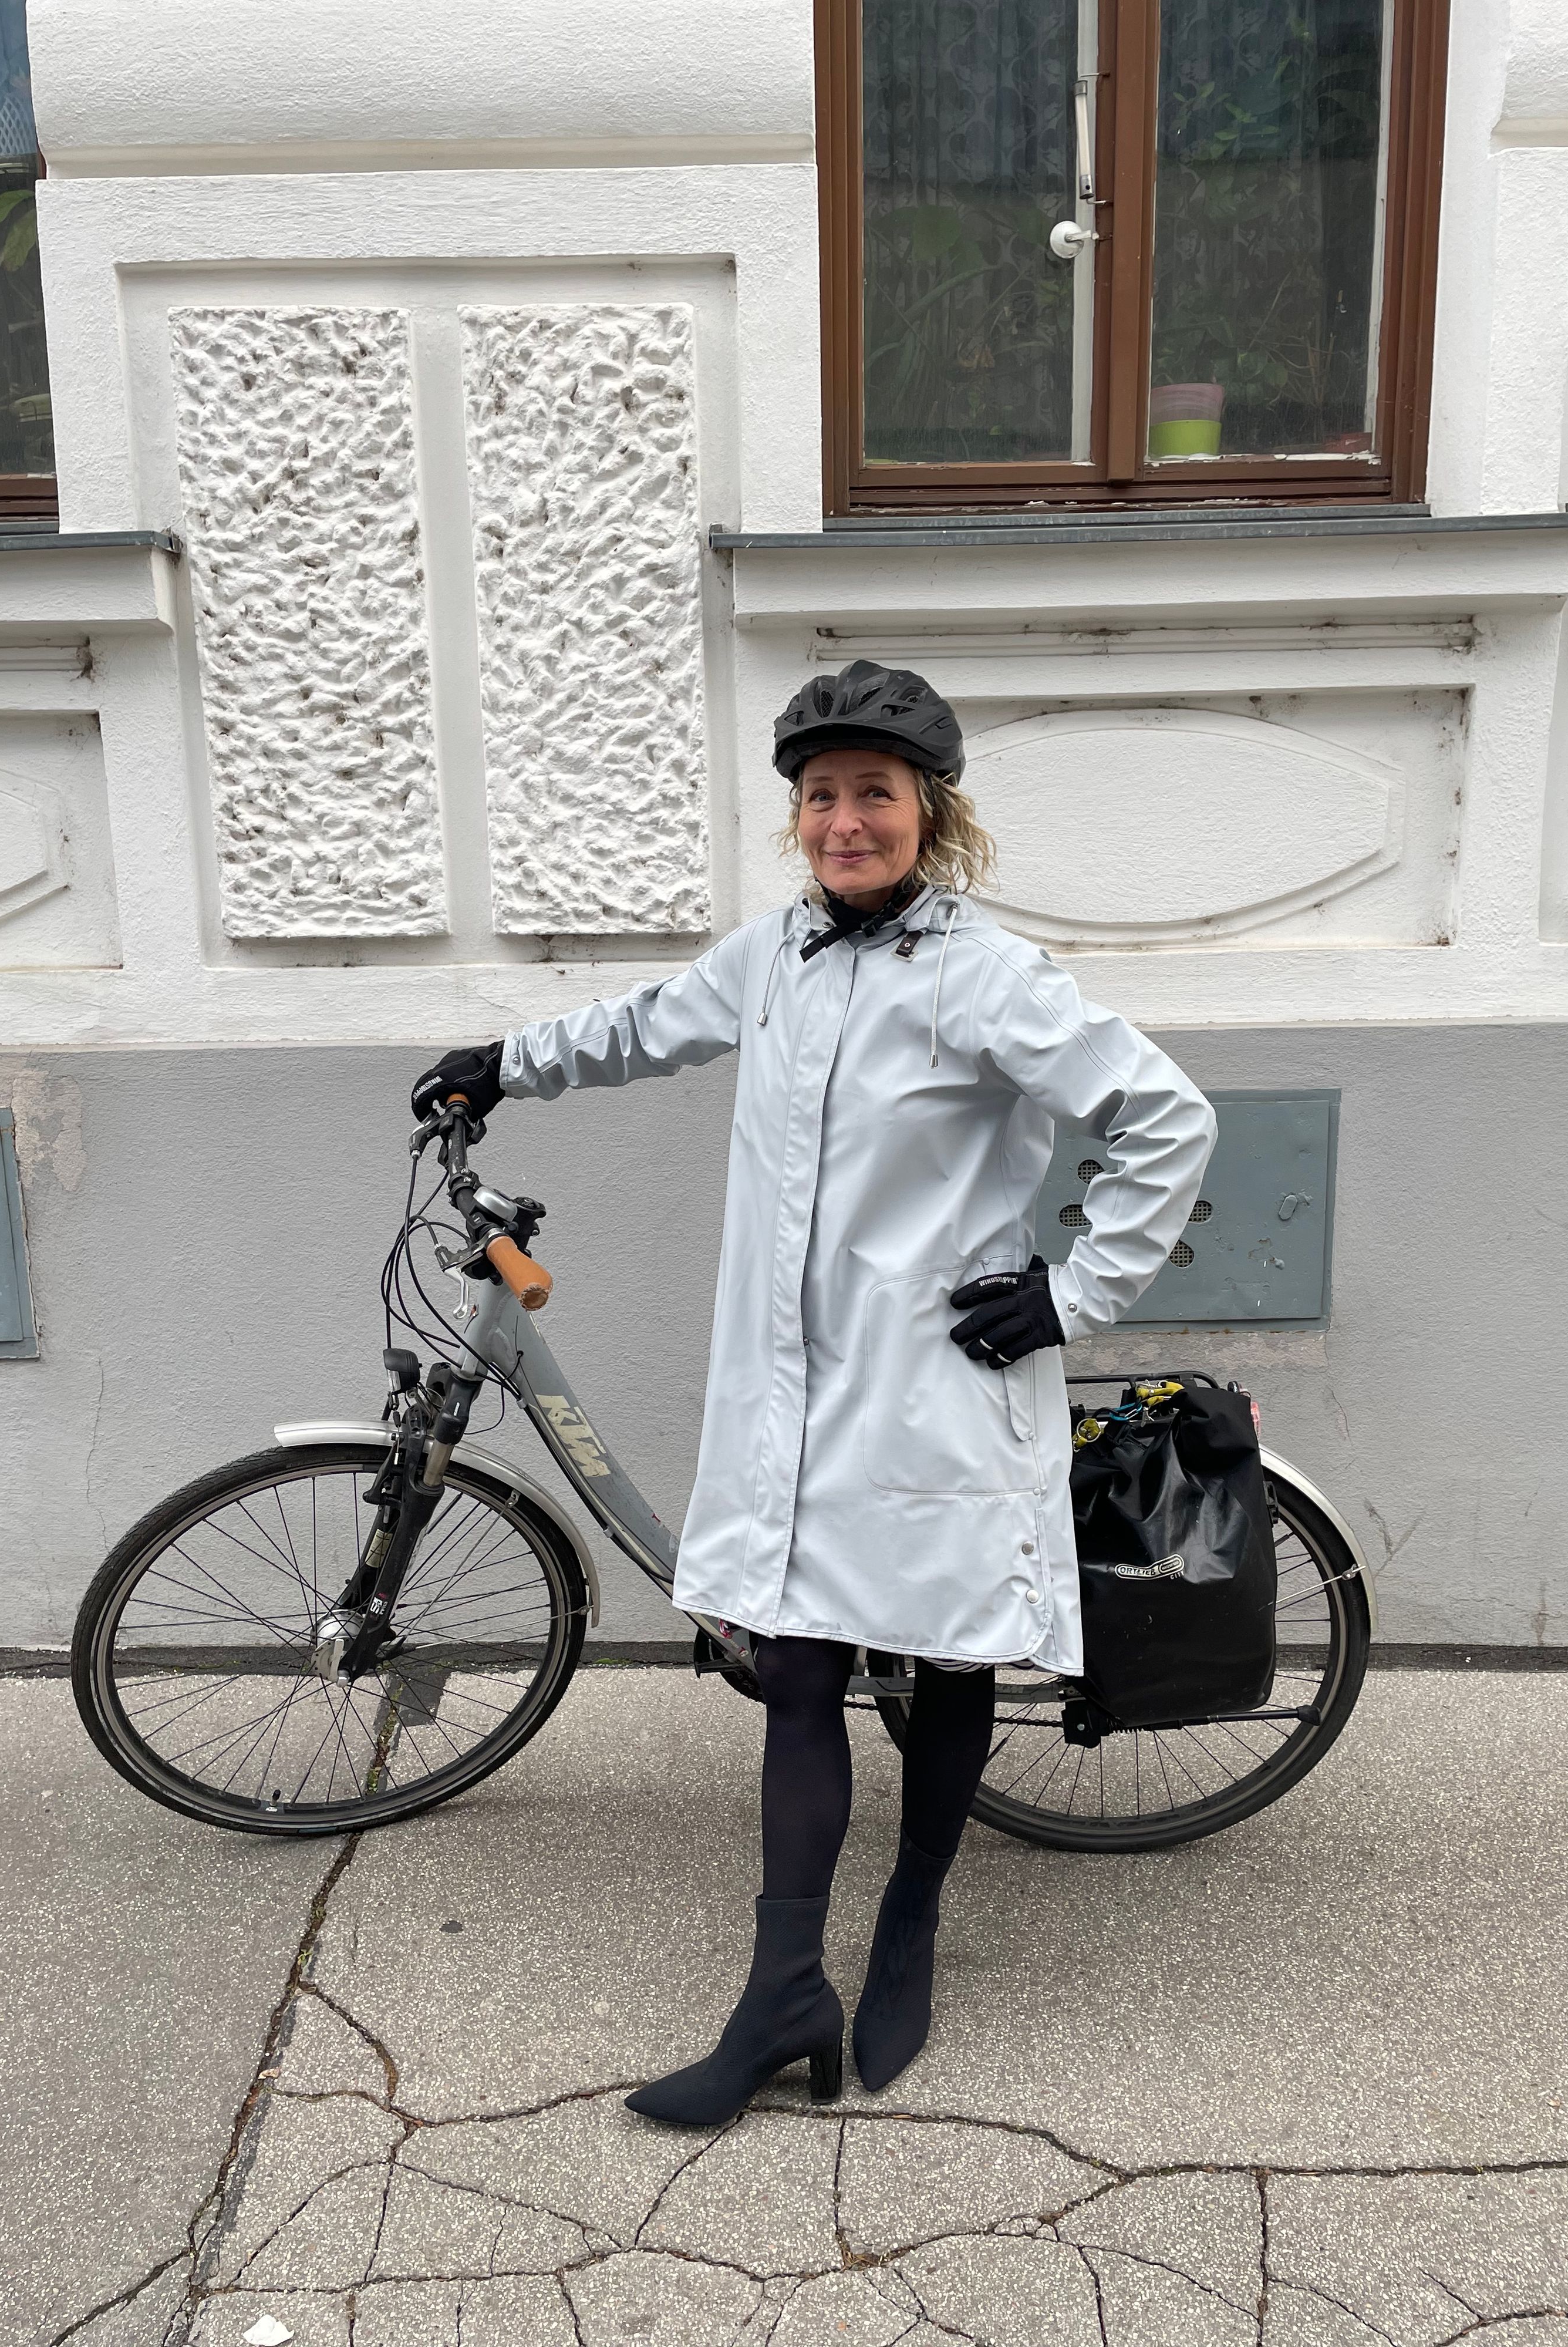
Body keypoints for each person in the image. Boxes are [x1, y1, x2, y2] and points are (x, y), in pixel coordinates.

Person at [412, 660, 1215, 2124]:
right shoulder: (774, 954)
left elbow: (1163, 1114)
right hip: (787, 1388)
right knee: (791, 1666)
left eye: (875, 795)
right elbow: (646, 1021)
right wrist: (504, 1064)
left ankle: (910, 1919)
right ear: (798, 816)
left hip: (934, 1385)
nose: (846, 820)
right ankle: (786, 1986)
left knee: (948, 1657)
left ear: (929, 813)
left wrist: (1074, 1291)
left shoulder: (984, 973)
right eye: (822, 796)